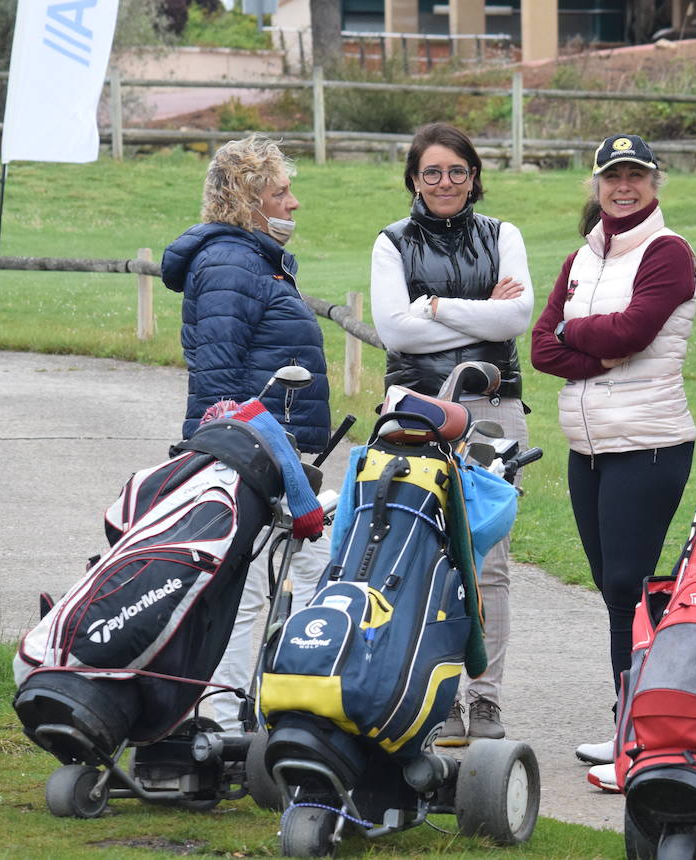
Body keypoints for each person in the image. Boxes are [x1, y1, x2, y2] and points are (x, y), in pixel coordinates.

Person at [531, 134, 696, 792]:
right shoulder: (580, 259)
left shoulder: (669, 252)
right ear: (595, 184)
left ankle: (642, 733)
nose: (623, 187)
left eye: (636, 175)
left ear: (655, 182)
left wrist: (580, 336)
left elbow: (634, 331)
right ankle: (634, 718)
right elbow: (542, 348)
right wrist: (587, 346)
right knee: (614, 593)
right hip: (590, 449)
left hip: (649, 445)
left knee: (628, 586)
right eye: (612, 176)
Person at [160, 134, 332, 731]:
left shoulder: (253, 259)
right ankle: (223, 716)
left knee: (294, 574)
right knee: (252, 585)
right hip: (252, 456)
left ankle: (272, 706)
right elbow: (218, 379)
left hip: (274, 450)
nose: (294, 203)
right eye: (281, 191)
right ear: (247, 200)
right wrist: (244, 460)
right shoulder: (231, 262)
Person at [370, 122, 533, 743]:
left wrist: (432, 307)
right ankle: (436, 697)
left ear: (474, 177)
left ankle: (484, 695)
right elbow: (395, 333)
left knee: (489, 558)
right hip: (416, 413)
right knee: (414, 552)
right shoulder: (391, 243)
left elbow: (516, 317)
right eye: (432, 172)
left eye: (457, 171)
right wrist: (478, 319)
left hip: (494, 412)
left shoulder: (504, 235)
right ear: (414, 178)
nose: (444, 182)